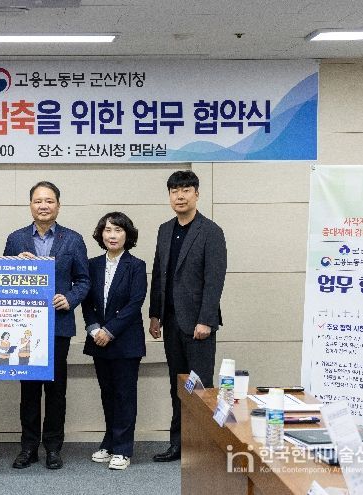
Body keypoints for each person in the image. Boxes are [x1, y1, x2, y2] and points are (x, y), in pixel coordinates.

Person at [4, 180, 90, 470]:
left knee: (55, 390)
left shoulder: (73, 239)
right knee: (28, 390)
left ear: (58, 205)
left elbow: (84, 280)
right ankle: (28, 447)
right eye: (38, 201)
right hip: (24, 327)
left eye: (49, 201)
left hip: (57, 326)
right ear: (30, 205)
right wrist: (15, 264)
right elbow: (3, 279)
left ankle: (53, 447)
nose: (43, 206)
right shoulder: (15, 239)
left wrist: (70, 298)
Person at [148, 171, 227, 462]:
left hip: (198, 325)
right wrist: (154, 314)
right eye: (174, 191)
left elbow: (214, 279)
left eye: (186, 190)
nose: (180, 196)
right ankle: (178, 444)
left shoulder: (210, 231)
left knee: (200, 386)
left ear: (197, 194)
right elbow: (159, 274)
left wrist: (206, 319)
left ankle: (204, 447)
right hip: (171, 322)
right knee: (179, 386)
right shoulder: (164, 230)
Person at [81, 212, 147, 471]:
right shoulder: (92, 264)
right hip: (98, 340)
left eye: (118, 230)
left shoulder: (136, 265)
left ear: (127, 235)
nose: (112, 235)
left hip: (125, 341)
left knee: (124, 396)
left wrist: (109, 331)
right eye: (108, 230)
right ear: (101, 234)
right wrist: (94, 329)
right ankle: (109, 442)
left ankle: (123, 449)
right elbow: (87, 302)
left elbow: (135, 303)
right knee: (107, 394)